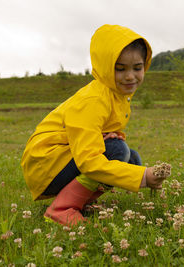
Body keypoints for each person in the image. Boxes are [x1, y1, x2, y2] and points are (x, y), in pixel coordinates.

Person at [21, 24, 167, 226]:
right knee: (117, 151)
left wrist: (107, 134)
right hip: (46, 165)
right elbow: (88, 161)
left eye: (137, 67)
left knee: (131, 158)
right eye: (120, 68)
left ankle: (81, 202)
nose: (130, 76)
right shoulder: (93, 100)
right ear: (105, 67)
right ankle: (62, 208)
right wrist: (143, 177)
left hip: (62, 157)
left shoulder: (116, 95)